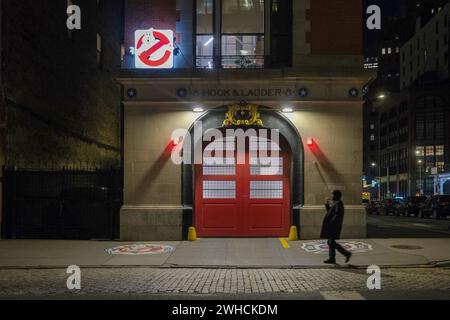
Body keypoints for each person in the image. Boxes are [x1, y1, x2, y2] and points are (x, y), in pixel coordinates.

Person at [320, 190, 352, 264]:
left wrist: (331, 223)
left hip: (333, 226)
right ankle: (332, 258)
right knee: (330, 242)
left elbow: (337, 215)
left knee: (331, 242)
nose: (331, 196)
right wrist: (327, 204)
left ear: (336, 196)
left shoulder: (339, 204)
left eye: (332, 195)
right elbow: (330, 212)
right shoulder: (336, 203)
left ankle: (346, 254)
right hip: (332, 226)